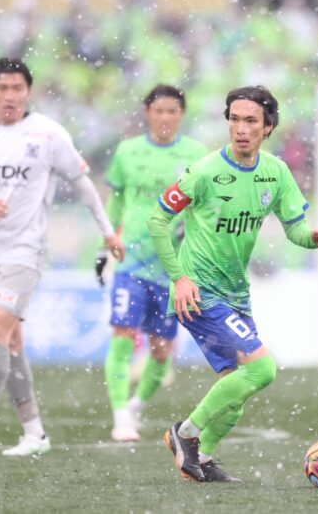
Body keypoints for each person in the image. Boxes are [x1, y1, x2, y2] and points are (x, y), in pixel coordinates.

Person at [148, 85, 318, 482]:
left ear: (268, 127)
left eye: (251, 121)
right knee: (262, 370)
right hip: (198, 292)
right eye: (234, 119)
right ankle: (185, 434)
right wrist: (179, 278)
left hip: (235, 293)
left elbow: (295, 229)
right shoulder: (204, 171)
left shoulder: (275, 172)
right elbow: (158, 220)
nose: (241, 128)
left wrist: (312, 238)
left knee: (236, 387)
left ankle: (203, 460)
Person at [0, 58, 124, 456]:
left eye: (18, 88)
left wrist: (108, 231)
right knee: (9, 343)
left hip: (26, 251)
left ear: (28, 92)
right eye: (2, 88)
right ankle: (35, 433)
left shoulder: (47, 133)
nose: (10, 96)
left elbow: (82, 184)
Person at [98, 84, 208, 442]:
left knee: (162, 351)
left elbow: (204, 206)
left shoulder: (196, 155)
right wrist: (105, 243)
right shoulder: (127, 152)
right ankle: (120, 416)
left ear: (181, 114)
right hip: (130, 262)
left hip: (172, 269)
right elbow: (116, 200)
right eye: (159, 110)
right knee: (122, 336)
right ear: (148, 112)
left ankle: (136, 406)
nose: (165, 117)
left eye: (172, 111)